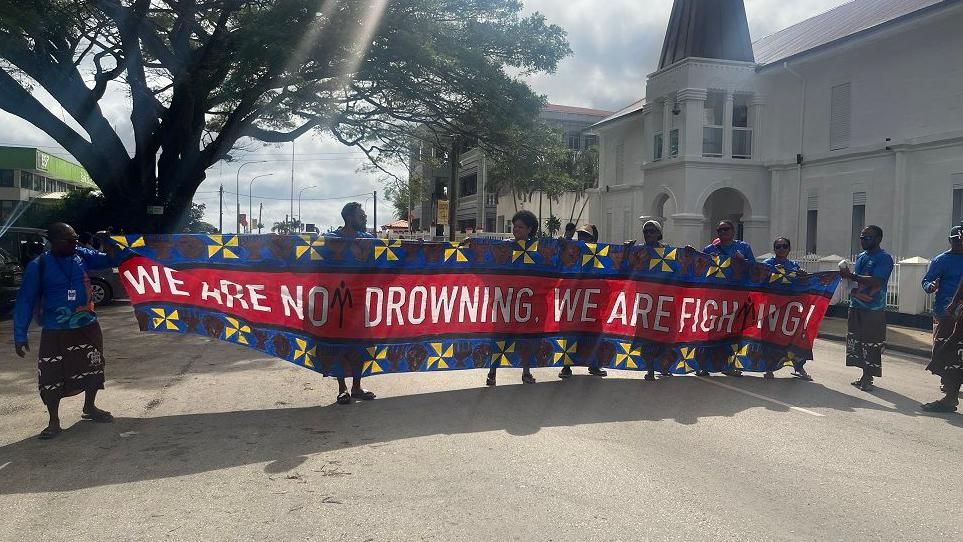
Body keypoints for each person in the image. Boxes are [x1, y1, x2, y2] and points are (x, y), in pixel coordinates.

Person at [13, 223, 116, 440]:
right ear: (54, 242)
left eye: (75, 238)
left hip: (87, 325)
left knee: (93, 366)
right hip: (55, 329)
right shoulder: (38, 265)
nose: (74, 243)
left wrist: (108, 242)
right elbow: (25, 299)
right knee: (52, 374)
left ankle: (90, 407)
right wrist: (20, 334)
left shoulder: (81, 256)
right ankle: (53, 420)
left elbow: (111, 259)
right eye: (69, 240)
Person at [324, 202, 377, 404]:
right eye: (361, 215)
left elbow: (396, 255)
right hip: (336, 301)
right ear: (349, 217)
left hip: (359, 302)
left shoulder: (369, 240)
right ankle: (342, 388)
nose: (364, 218)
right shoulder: (331, 240)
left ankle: (356, 386)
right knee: (338, 344)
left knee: (360, 345)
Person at [839, 225, 894, 392]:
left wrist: (851, 276)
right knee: (856, 341)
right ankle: (864, 374)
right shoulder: (862, 257)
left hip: (873, 309)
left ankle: (869, 377)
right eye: (862, 237)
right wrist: (847, 278)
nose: (862, 240)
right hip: (855, 306)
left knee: (871, 343)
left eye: (867, 237)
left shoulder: (884, 258)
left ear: (878, 239)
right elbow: (856, 281)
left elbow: (877, 281)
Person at [487, 210, 538, 386]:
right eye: (514, 226)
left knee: (526, 338)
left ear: (530, 229)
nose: (516, 230)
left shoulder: (539, 249)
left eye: (520, 227)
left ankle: (526, 372)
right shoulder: (504, 247)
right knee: (499, 338)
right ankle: (492, 373)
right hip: (505, 303)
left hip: (526, 304)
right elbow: (484, 253)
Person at [697, 220, 755, 376]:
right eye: (719, 230)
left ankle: (729, 365)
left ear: (733, 231)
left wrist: (743, 261)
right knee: (711, 331)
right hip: (715, 297)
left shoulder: (744, 248)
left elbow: (755, 270)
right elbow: (700, 269)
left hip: (737, 297)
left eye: (726, 229)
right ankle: (704, 365)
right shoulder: (710, 249)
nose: (723, 232)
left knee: (733, 332)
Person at [920, 225, 963, 412]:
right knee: (943, 351)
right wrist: (931, 286)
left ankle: (951, 390)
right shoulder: (941, 260)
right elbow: (926, 281)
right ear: (950, 240)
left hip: (959, 314)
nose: (959, 242)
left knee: (956, 353)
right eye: (956, 239)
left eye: (961, 239)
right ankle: (949, 385)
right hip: (945, 314)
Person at [559, 224, 607, 379]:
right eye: (580, 235)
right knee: (571, 335)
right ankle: (566, 367)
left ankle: (594, 365)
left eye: (586, 236)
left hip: (592, 302)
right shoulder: (572, 253)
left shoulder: (599, 256)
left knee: (593, 334)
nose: (582, 239)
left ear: (593, 240)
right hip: (574, 301)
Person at [761, 237, 812, 381]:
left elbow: (804, 285)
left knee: (794, 338)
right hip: (772, 309)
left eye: (784, 246)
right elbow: (759, 280)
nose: (781, 249)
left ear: (789, 249)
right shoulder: (767, 264)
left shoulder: (794, 266)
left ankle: (799, 366)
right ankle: (769, 368)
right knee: (769, 338)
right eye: (778, 247)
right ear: (774, 249)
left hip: (789, 311)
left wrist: (803, 277)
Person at [634, 220, 675, 381]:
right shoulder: (638, 251)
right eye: (646, 231)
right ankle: (650, 369)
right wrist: (625, 250)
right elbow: (625, 266)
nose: (648, 234)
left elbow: (680, 269)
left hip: (664, 301)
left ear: (659, 233)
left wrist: (688, 253)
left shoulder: (669, 252)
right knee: (646, 337)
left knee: (664, 336)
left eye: (652, 231)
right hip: (646, 301)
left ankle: (664, 367)